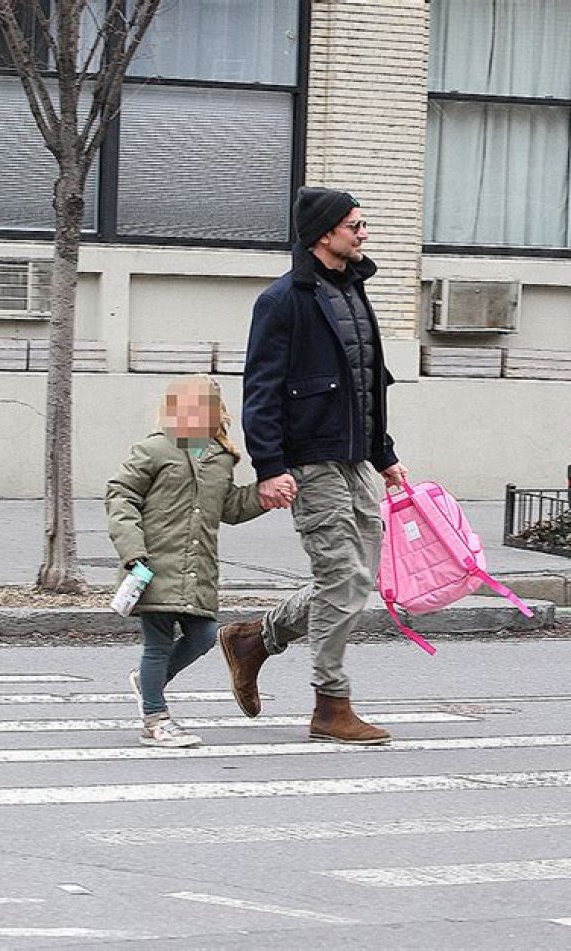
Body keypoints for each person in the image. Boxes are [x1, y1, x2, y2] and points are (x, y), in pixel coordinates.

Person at [219, 186, 407, 746]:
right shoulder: (284, 300)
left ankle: (255, 638)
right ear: (325, 233)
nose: (364, 233)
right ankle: (331, 704)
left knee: (357, 579)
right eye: (356, 224)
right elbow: (262, 390)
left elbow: (368, 382)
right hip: (310, 463)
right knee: (342, 580)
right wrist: (270, 465)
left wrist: (385, 455)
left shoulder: (352, 291)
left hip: (355, 460)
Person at [105, 375, 283, 748]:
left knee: (203, 636)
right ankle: (154, 720)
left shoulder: (219, 458)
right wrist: (133, 551)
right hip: (151, 565)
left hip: (197, 568)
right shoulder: (155, 449)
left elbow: (230, 507)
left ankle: (146, 682)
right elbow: (121, 495)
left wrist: (265, 498)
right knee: (156, 644)